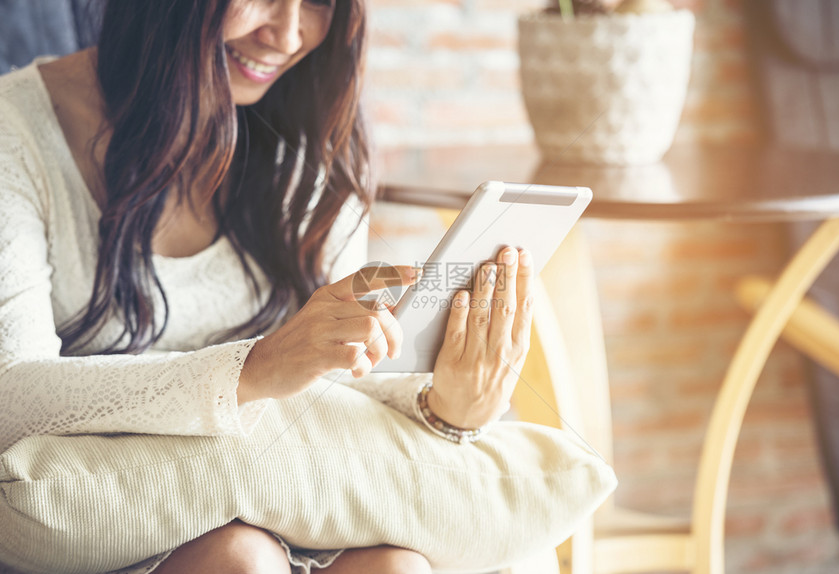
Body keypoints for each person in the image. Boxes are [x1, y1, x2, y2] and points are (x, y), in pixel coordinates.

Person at [0, 0, 535, 572]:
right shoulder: (18, 133)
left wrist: (441, 406)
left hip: (277, 513)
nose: (286, 33)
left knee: (395, 566)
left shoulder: (308, 137)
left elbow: (333, 381)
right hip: (97, 511)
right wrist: (252, 369)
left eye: (319, 2)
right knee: (240, 559)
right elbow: (9, 395)